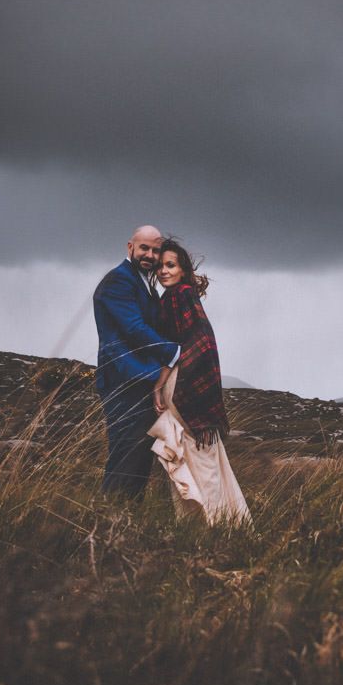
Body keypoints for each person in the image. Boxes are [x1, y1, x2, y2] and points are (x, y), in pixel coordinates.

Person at [148, 238, 251, 525]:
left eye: (170, 265)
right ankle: (222, 524)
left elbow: (183, 346)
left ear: (183, 269)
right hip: (191, 389)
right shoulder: (183, 296)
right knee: (202, 459)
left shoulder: (177, 297)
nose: (164, 272)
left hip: (182, 389)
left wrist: (159, 385)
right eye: (160, 267)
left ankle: (211, 526)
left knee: (193, 458)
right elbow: (198, 343)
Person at [92, 225, 181, 498]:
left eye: (155, 250)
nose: (150, 255)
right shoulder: (118, 281)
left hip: (141, 380)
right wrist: (175, 352)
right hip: (125, 381)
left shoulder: (142, 281)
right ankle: (110, 519)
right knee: (126, 455)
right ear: (130, 247)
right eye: (144, 248)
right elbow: (134, 328)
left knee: (138, 458)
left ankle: (126, 522)